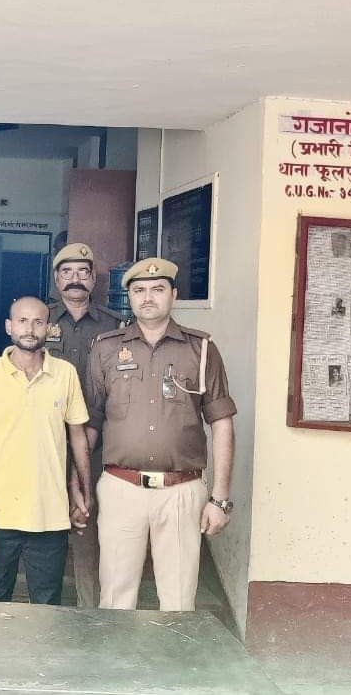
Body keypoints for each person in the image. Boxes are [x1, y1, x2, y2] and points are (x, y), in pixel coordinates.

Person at [85, 257, 236, 612]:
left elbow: (222, 424)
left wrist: (220, 499)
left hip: (181, 491)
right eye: (139, 290)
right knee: (115, 598)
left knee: (179, 601)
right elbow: (91, 422)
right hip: (121, 488)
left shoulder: (201, 350)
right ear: (129, 297)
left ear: (174, 295)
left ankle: (173, 652)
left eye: (157, 289)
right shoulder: (106, 348)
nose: (148, 297)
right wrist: (77, 484)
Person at [0, 296, 93, 605]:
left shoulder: (65, 373)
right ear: (9, 326)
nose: (30, 329)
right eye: (22, 321)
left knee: (47, 610)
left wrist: (83, 491)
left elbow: (77, 438)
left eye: (38, 322)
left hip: (51, 516)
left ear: (49, 328)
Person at [45, 242, 123, 608]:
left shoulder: (115, 325)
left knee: (86, 528)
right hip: (45, 440)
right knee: (42, 525)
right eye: (67, 272)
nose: (75, 279)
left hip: (95, 443)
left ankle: (88, 612)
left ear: (93, 279)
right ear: (56, 278)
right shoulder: (39, 319)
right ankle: (43, 608)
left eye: (82, 272)